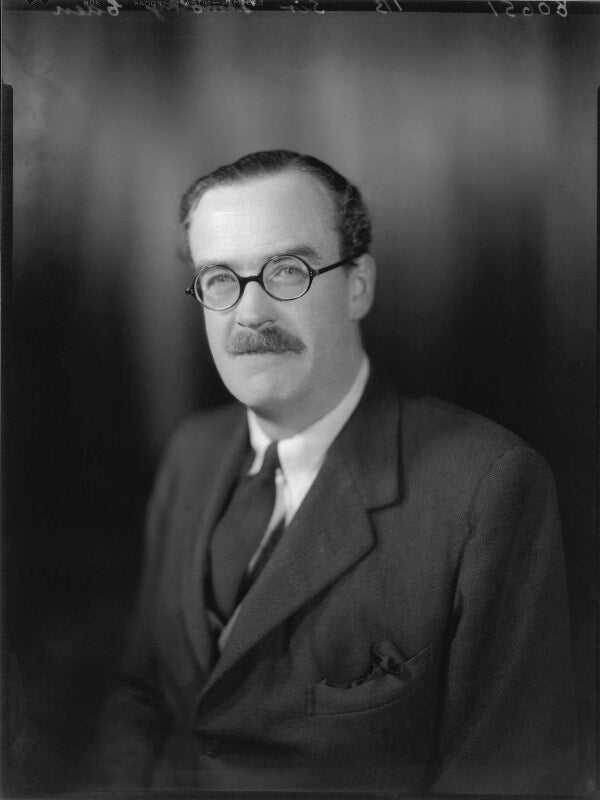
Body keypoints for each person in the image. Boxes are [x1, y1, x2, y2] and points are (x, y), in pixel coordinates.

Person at [95, 150, 578, 794]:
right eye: (220, 279)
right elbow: (141, 692)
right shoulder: (192, 451)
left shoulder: (487, 487)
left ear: (358, 286)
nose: (250, 314)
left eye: (287, 271)